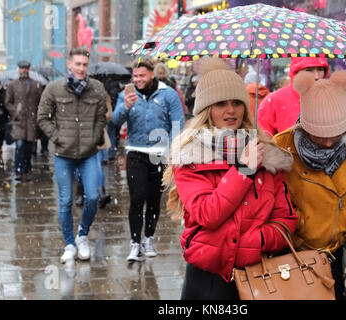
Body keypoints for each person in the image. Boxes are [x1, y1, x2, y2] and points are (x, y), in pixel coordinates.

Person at [162, 57, 298, 300]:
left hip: (259, 274)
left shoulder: (267, 154)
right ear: (206, 109)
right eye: (220, 103)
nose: (231, 110)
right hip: (208, 279)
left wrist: (255, 241)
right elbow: (208, 214)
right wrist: (244, 170)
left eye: (237, 102)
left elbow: (285, 220)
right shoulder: (191, 155)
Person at [273, 70, 346, 300]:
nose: (327, 142)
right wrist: (299, 223)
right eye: (318, 135)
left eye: (335, 134)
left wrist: (345, 220)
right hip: (293, 257)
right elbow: (271, 200)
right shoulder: (282, 145)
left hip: (341, 257)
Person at [37, 48, 107, 263]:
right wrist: (58, 137)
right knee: (66, 201)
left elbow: (101, 118)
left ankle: (82, 235)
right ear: (69, 64)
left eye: (85, 64)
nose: (81, 68)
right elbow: (42, 118)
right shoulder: (54, 88)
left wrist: (94, 138)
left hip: (88, 153)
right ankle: (69, 243)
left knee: (93, 197)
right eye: (77, 64)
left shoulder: (97, 88)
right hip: (63, 154)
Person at [112, 59, 185, 262]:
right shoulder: (126, 95)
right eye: (135, 76)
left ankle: (149, 238)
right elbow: (116, 120)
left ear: (152, 74)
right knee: (137, 197)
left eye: (142, 76)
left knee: (153, 199)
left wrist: (172, 148)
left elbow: (177, 122)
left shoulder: (168, 94)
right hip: (135, 151)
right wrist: (125, 106)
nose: (138, 80)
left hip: (159, 154)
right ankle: (135, 243)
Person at [258, 57, 329, 136]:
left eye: (320, 69)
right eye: (309, 70)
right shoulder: (274, 100)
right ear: (296, 72)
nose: (316, 76)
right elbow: (256, 142)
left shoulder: (333, 100)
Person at [5, 60, 44, 181]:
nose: (24, 70)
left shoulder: (36, 85)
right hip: (19, 122)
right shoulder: (13, 85)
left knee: (29, 147)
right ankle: (19, 171)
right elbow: (7, 102)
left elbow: (41, 102)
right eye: (22, 68)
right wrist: (15, 112)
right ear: (19, 69)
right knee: (20, 146)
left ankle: (26, 170)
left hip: (32, 122)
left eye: (26, 68)